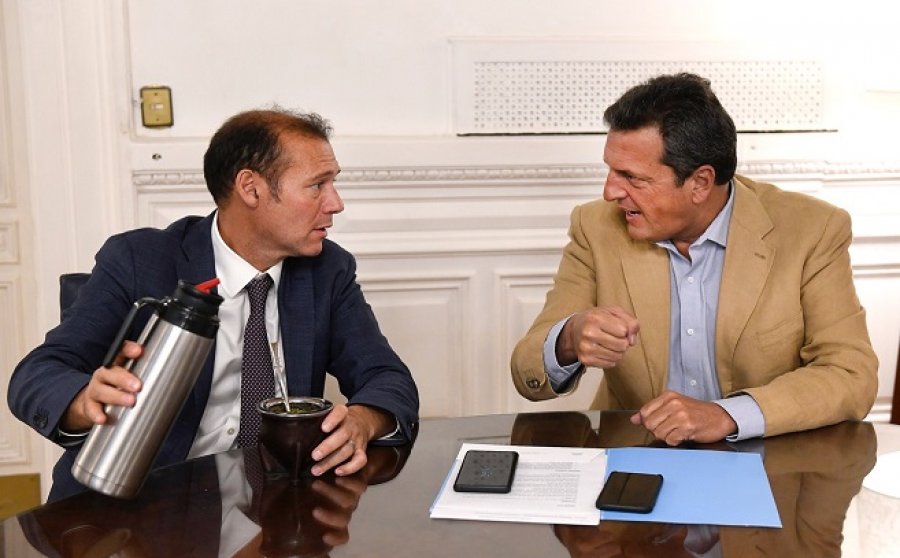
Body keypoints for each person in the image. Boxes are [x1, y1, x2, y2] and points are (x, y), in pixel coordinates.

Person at [8, 108, 419, 501]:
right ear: (251, 188)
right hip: (137, 506)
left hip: (274, 510)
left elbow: (386, 377)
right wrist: (84, 401)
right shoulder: (140, 261)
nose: (335, 203)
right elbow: (38, 374)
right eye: (317, 185)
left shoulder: (327, 270)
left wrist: (364, 420)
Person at [511, 73, 878, 445]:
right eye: (610, 170)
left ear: (700, 182)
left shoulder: (811, 230)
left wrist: (727, 415)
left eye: (632, 177)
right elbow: (527, 371)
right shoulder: (596, 227)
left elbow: (850, 374)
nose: (610, 192)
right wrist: (569, 338)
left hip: (769, 460)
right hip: (636, 455)